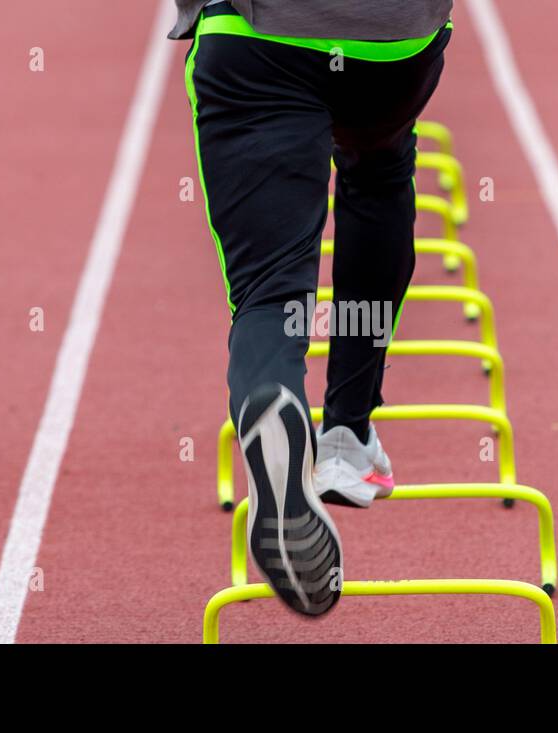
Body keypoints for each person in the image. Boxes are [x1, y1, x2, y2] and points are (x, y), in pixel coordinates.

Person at [174, 0, 453, 617]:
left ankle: (274, 396)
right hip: (393, 46)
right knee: (378, 168)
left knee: (268, 290)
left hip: (254, 39)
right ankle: (348, 434)